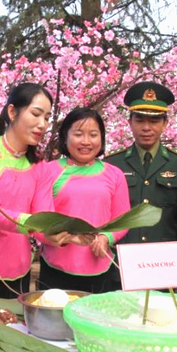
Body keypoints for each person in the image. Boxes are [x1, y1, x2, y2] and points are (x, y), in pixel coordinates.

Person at [0, 82, 79, 298]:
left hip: (17, 269)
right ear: (12, 112)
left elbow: (44, 217)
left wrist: (59, 234)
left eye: (46, 118)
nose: (42, 124)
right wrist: (38, 225)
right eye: (35, 114)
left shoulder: (39, 166)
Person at [39, 107, 130, 294]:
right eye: (78, 134)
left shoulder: (114, 174)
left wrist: (107, 237)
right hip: (55, 269)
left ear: (102, 138)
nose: (86, 141)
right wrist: (56, 237)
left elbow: (123, 220)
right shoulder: (48, 171)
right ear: (65, 137)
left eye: (93, 134)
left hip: (100, 269)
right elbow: (38, 220)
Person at [105, 82, 177, 247]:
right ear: (130, 122)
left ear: (165, 124)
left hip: (165, 258)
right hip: (123, 256)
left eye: (154, 121)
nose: (146, 128)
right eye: (140, 120)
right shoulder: (112, 163)